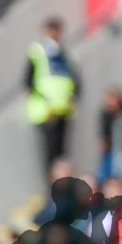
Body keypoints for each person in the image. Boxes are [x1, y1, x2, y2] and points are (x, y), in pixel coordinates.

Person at [25, 17, 79, 181]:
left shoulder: (64, 53)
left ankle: (63, 186)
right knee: (50, 153)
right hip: (46, 111)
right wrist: (45, 103)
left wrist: (72, 98)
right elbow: (28, 82)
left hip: (63, 110)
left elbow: (74, 81)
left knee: (62, 154)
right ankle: (51, 187)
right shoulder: (38, 52)